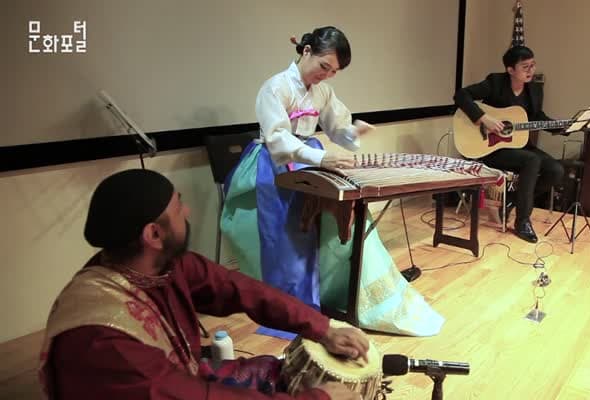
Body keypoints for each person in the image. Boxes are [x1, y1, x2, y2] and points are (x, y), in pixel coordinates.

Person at [39, 169, 369, 400]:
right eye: (178, 206)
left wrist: (322, 326)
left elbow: (239, 288)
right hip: (157, 391)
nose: (187, 210)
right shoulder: (102, 343)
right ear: (154, 234)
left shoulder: (165, 266)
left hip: (178, 380)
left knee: (276, 371)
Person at [220, 26, 444, 336]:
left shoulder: (323, 91)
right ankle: (289, 312)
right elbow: (277, 138)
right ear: (306, 51)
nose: (327, 75)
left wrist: (354, 132)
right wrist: (321, 158)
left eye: (334, 71)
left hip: (309, 157)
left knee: (332, 229)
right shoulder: (275, 87)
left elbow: (337, 128)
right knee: (287, 240)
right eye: (324, 66)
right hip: (275, 164)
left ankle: (340, 298)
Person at [453, 45, 565, 243]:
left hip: (517, 145)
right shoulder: (495, 83)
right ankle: (522, 221)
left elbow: (536, 117)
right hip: (489, 147)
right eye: (525, 67)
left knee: (556, 170)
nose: (531, 70)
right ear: (510, 70)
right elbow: (461, 95)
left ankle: (513, 199)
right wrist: (484, 118)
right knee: (531, 161)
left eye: (532, 65)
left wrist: (562, 127)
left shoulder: (534, 89)